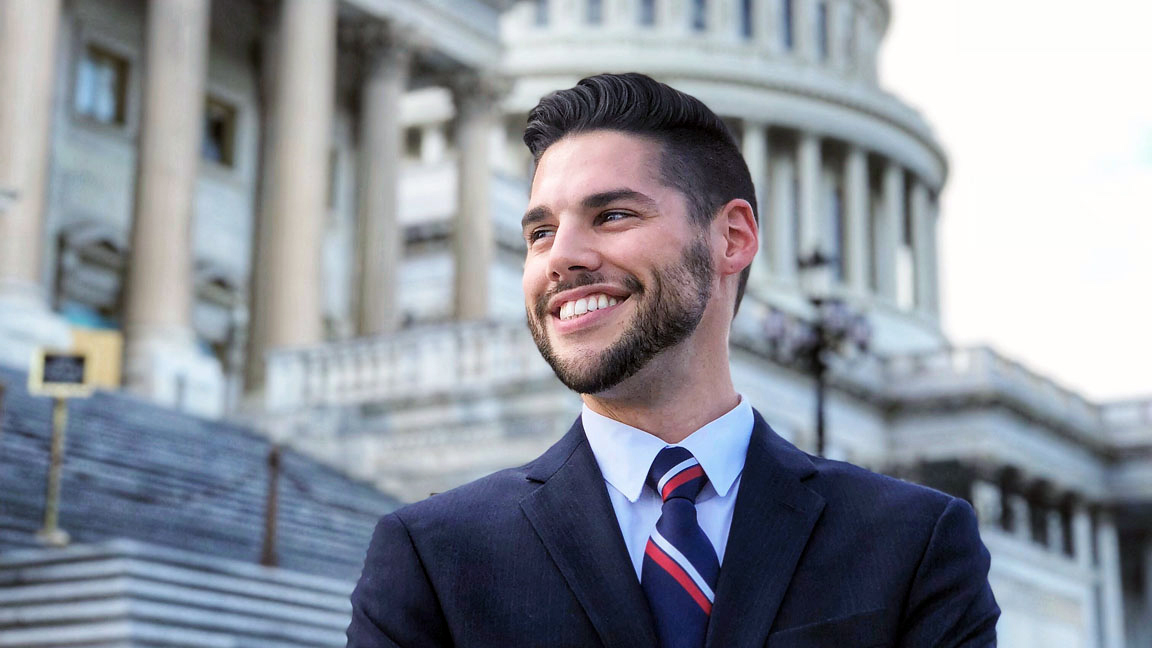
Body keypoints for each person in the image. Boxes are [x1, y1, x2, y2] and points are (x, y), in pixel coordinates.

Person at [346, 73, 999, 647]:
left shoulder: (912, 542)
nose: (561, 256)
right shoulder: (436, 556)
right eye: (540, 232)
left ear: (732, 237)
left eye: (613, 214)